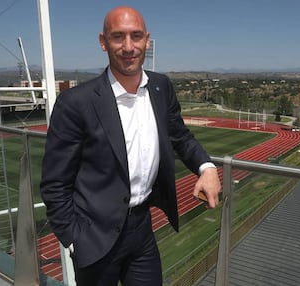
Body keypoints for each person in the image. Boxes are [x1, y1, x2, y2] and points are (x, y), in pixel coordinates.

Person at [40, 5, 221, 286]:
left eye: (136, 36)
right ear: (103, 42)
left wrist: (206, 167)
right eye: (118, 37)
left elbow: (180, 136)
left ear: (146, 40)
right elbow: (54, 184)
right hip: (94, 237)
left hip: (142, 229)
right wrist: (75, 241)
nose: (128, 46)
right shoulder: (76, 103)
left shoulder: (161, 87)